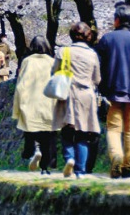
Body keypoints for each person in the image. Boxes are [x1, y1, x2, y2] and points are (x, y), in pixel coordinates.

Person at [96, 4, 130, 179]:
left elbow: (99, 67)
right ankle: (127, 167)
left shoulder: (107, 39)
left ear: (117, 20)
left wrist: (100, 88)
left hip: (113, 92)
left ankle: (116, 156)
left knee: (113, 128)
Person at [52, 22, 101, 179]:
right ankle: (80, 171)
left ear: (72, 35)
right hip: (86, 95)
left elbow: (54, 72)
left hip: (68, 94)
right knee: (83, 134)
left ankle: (70, 159)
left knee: (67, 131)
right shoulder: (92, 54)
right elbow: (97, 79)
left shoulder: (63, 51)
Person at [12, 36, 57, 174]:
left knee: (31, 132)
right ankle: (45, 167)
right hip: (49, 103)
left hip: (30, 103)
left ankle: (35, 150)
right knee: (48, 136)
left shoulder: (27, 61)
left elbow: (21, 85)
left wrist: (17, 109)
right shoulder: (52, 62)